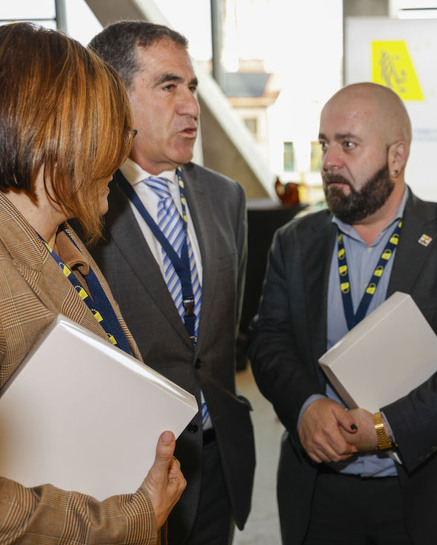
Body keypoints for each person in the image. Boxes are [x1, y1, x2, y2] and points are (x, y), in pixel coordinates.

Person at [249, 82, 437, 545]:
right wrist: (305, 406)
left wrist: (386, 428)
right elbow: (268, 340)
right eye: (325, 143)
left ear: (396, 156)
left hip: (421, 494)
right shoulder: (295, 242)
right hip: (319, 493)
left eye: (348, 144)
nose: (330, 160)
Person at [0, 22, 185, 544]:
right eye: (110, 130)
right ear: (51, 134)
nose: (122, 152)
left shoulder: (64, 242)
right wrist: (130, 518)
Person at [86, 21, 254, 545]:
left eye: (193, 87)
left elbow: (218, 338)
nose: (191, 106)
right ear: (115, 96)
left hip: (220, 460)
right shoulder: (80, 206)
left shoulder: (227, 198)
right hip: (127, 480)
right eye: (168, 86)